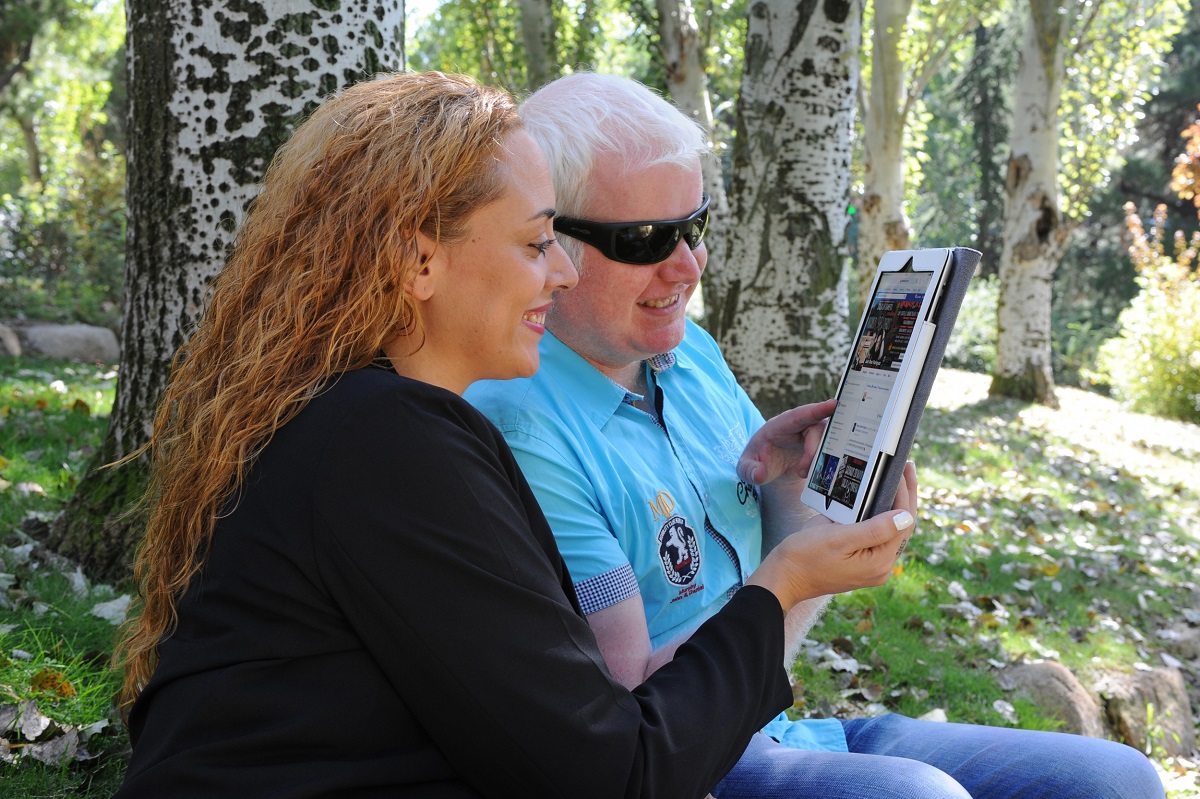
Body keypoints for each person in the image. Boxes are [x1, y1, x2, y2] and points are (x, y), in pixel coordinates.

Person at [109, 71, 920, 799]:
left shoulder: (371, 422)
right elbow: (617, 770)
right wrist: (782, 585)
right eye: (537, 244)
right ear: (419, 261)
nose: (561, 272)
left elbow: (574, 732)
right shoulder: (390, 442)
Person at [465, 72, 1164, 799]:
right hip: (689, 760)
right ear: (550, 242)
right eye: (644, 239)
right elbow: (631, 712)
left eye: (696, 225)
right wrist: (801, 577)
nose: (689, 265)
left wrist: (806, 513)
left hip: (784, 731)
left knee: (1117, 778)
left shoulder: (686, 350)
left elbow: (774, 591)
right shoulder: (522, 424)